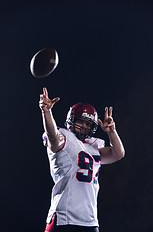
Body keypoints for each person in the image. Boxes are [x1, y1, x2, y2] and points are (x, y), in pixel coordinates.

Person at [39, 87, 125, 232]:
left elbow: (118, 154)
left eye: (88, 124)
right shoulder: (64, 137)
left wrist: (112, 132)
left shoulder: (93, 146)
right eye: (81, 122)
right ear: (71, 120)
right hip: (64, 217)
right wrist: (46, 112)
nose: (85, 126)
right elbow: (53, 136)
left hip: (90, 221)